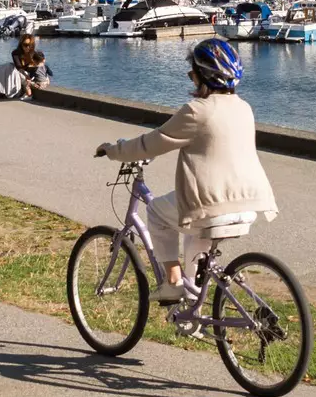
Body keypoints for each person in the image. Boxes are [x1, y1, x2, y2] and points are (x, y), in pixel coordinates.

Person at [97, 37, 275, 305]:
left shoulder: (197, 111)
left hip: (214, 205)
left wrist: (114, 149)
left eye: (192, 71)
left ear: (202, 75)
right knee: (193, 236)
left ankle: (172, 282)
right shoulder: (244, 108)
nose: (190, 77)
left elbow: (150, 144)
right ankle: (194, 310)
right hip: (249, 203)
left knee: (156, 212)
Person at [0, 34, 52, 100]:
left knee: (15, 71)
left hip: (32, 75)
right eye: (25, 45)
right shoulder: (15, 53)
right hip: (22, 72)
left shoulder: (34, 54)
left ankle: (23, 93)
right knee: (1, 67)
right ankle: (0, 91)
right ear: (21, 44)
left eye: (30, 45)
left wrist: (47, 78)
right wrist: (26, 76)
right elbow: (19, 67)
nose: (28, 47)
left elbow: (42, 67)